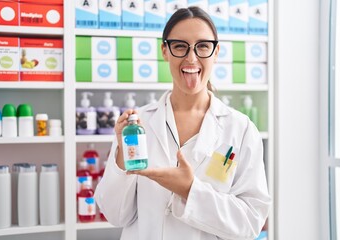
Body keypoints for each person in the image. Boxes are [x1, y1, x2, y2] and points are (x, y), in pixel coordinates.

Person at [95, 6, 271, 240]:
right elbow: (115, 215)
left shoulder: (241, 129)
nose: (191, 58)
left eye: (203, 46)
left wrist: (189, 190)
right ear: (165, 51)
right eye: (180, 46)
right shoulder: (139, 124)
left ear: (216, 52)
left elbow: (250, 223)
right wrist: (121, 156)